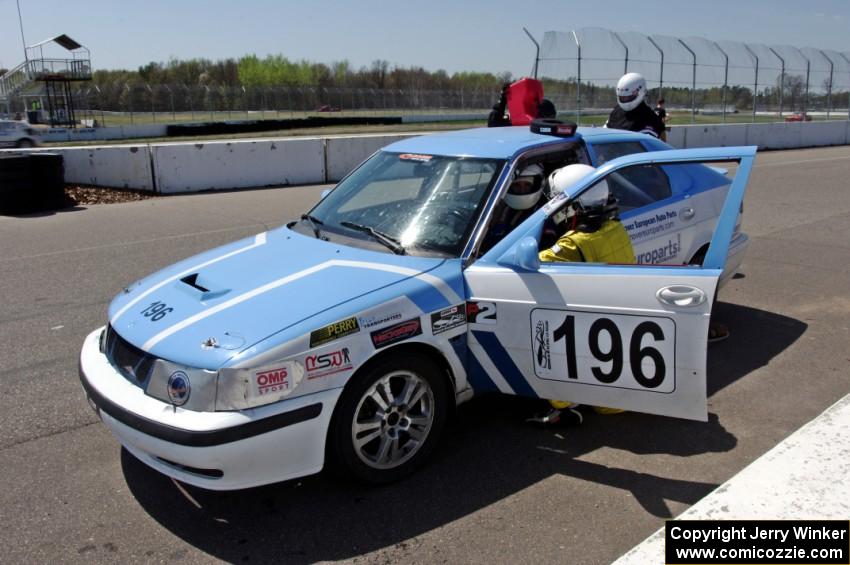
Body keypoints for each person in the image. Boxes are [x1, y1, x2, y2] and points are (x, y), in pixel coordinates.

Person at [528, 164, 637, 426]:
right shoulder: (615, 228)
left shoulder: (574, 244)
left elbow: (529, 261)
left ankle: (563, 405)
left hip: (592, 330)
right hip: (619, 322)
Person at [482, 164, 546, 251]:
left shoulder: (544, 212)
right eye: (517, 185)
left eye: (527, 184)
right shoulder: (502, 208)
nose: (522, 190)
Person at [605, 72, 665, 138]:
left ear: (641, 93)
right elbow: (606, 130)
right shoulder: (616, 111)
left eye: (628, 97)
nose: (625, 100)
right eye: (622, 97)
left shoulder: (650, 118)